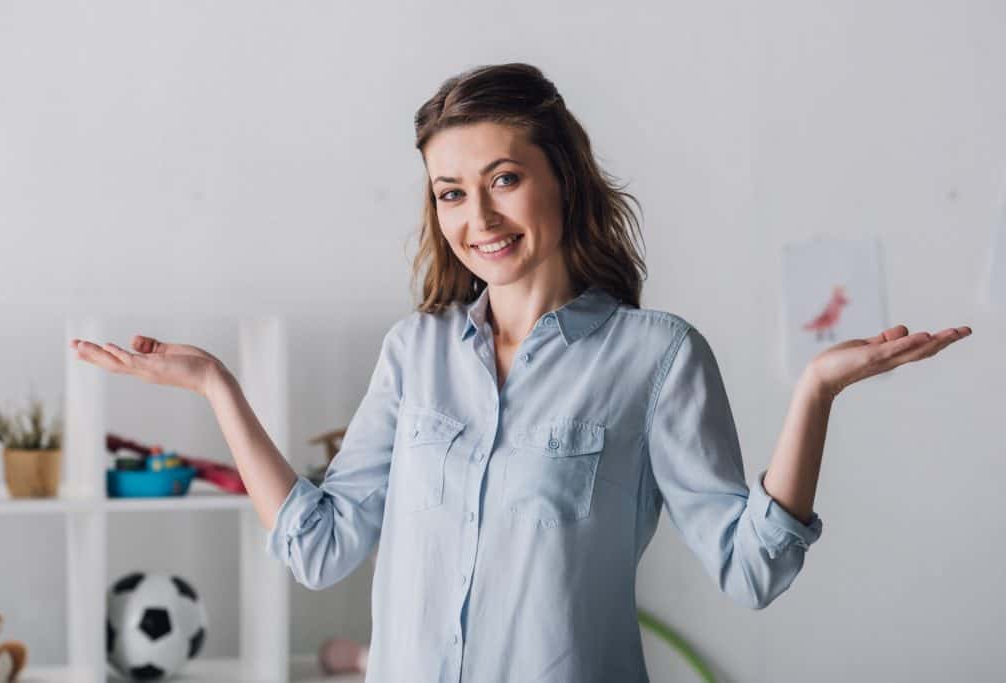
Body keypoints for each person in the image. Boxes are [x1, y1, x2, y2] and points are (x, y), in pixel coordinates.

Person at [71, 62, 972, 683]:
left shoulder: (654, 357)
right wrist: (218, 389)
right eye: (451, 191)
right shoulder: (413, 354)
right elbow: (320, 546)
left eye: (503, 178)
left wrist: (814, 391)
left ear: (563, 179)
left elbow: (751, 569)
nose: (478, 216)